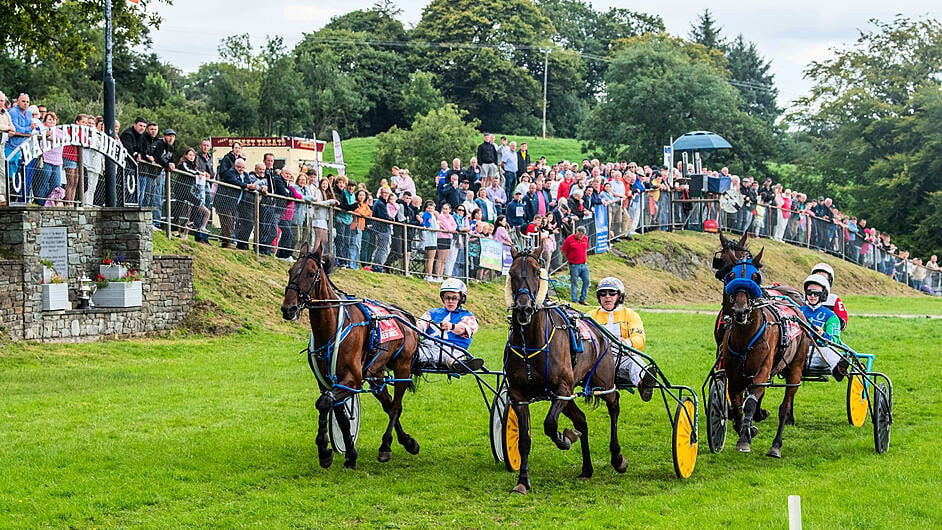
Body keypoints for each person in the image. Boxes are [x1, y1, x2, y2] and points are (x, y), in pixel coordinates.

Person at [586, 277, 655, 401]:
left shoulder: (630, 315)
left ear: (620, 296)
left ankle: (643, 384)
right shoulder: (590, 316)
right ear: (599, 297)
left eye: (612, 293)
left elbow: (640, 338)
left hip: (622, 358)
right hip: (598, 362)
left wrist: (628, 342)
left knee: (635, 360)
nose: (607, 297)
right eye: (603, 293)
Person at [415, 279, 485, 374]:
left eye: (454, 298)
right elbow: (420, 325)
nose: (450, 301)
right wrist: (415, 327)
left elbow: (462, 329)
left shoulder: (467, 316)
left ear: (461, 299)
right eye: (447, 298)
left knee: (449, 357)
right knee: (411, 353)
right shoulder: (432, 312)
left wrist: (451, 326)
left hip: (452, 349)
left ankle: (460, 365)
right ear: (442, 298)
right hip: (429, 347)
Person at [799, 274, 850, 380]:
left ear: (823, 294)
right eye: (809, 292)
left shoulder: (831, 316)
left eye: (816, 293)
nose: (812, 296)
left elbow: (835, 340)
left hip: (819, 355)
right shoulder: (797, 311)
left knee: (828, 350)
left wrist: (823, 334)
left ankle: (838, 368)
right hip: (796, 353)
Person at [810, 262, 848, 329]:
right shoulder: (806, 297)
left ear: (829, 281)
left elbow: (843, 324)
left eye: (823, 278)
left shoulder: (833, 299)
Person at [561, 225, 590, 304]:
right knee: (574, 282)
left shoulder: (585, 239)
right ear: (576, 232)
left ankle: (583, 299)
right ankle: (574, 299)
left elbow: (586, 248)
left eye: (582, 234)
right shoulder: (569, 239)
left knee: (587, 281)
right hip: (574, 265)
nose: (581, 236)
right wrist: (570, 258)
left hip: (583, 264)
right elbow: (563, 251)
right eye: (579, 234)